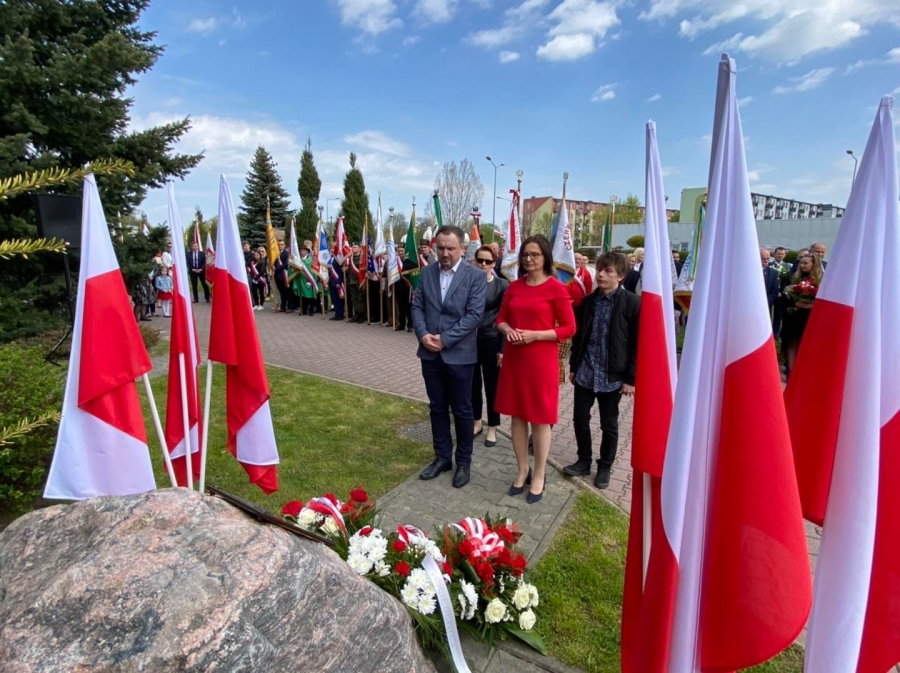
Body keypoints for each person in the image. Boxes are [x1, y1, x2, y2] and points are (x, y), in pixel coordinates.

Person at [495, 235, 576, 504]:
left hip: (541, 362)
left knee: (540, 420)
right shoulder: (514, 287)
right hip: (515, 360)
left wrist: (536, 335)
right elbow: (501, 320)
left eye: (535, 254)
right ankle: (522, 470)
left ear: (545, 257)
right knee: (517, 417)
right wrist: (508, 330)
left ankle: (539, 474)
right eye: (525, 254)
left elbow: (569, 328)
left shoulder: (556, 288)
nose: (529, 259)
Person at [412, 225, 486, 489]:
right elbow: (417, 306)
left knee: (463, 410)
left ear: (462, 249)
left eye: (450, 248)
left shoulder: (475, 276)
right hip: (429, 354)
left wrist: (444, 339)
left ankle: (463, 462)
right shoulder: (427, 272)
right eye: (441, 248)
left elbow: (474, 315)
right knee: (437, 407)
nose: (445, 253)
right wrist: (423, 335)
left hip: (459, 355)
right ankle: (442, 458)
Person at [564, 252, 640, 489]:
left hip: (612, 376)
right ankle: (583, 460)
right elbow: (579, 338)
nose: (601, 275)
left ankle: (605, 465)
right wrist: (574, 366)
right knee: (580, 419)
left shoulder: (632, 303)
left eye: (608, 271)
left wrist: (631, 379)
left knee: (609, 424)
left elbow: (637, 343)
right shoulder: (588, 302)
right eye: (600, 270)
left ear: (621, 276)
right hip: (586, 371)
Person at [470, 245, 509, 448]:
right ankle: (477, 421)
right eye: (480, 260)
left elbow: (506, 317)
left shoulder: (502, 285)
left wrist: (502, 348)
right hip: (469, 341)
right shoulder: (467, 282)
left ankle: (493, 427)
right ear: (474, 261)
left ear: (494, 263)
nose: (483, 264)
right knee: (473, 384)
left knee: (492, 386)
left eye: (488, 261)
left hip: (492, 340)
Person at [781, 254, 824, 379]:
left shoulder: (821, 279)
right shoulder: (795, 277)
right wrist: (795, 301)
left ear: (813, 264)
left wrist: (811, 303)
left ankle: (802, 374)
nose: (802, 265)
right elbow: (786, 293)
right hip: (795, 314)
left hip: (810, 315)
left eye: (806, 263)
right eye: (801, 263)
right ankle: (791, 373)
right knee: (791, 343)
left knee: (806, 344)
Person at [395, 246, 417, 331]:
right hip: (398, 286)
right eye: (399, 251)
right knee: (400, 307)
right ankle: (401, 325)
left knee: (408, 307)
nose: (400, 252)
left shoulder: (410, 262)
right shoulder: (395, 262)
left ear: (405, 251)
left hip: (407, 286)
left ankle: (410, 325)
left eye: (402, 251)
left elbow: (414, 270)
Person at [347, 243, 365, 323]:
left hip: (359, 282)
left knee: (360, 298)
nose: (353, 248)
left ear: (359, 248)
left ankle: (361, 315)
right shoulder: (350, 258)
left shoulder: (362, 259)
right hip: (351, 281)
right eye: (352, 247)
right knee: (354, 298)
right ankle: (356, 314)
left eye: (355, 247)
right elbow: (349, 269)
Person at [273, 239, 291, 313]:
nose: (280, 246)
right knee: (281, 292)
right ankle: (283, 306)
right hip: (277, 275)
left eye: (281, 244)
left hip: (284, 275)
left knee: (287, 292)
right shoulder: (276, 253)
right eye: (279, 244)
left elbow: (286, 264)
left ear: (284, 245)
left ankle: (289, 307)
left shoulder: (286, 253)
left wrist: (276, 268)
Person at [761, 247, 780, 314]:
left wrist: (766, 302)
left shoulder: (773, 273)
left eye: (768, 259)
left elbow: (774, 291)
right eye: (763, 259)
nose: (766, 261)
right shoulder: (747, 272)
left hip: (766, 306)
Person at [328, 253, 346, 321]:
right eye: (331, 248)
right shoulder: (329, 258)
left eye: (333, 248)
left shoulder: (338, 258)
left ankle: (340, 314)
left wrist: (339, 282)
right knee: (334, 299)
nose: (332, 250)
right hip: (331, 281)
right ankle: (336, 314)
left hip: (337, 281)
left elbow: (340, 271)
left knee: (339, 299)